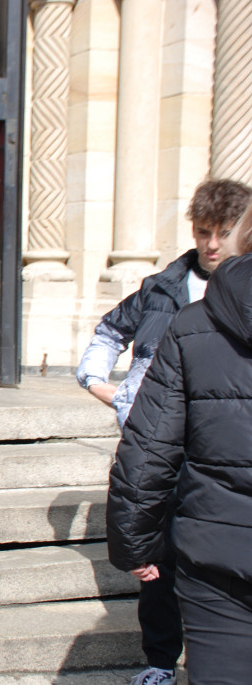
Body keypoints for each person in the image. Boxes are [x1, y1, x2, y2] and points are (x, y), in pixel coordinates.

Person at [78, 179, 251, 685]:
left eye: (223, 233)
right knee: (163, 573)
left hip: (216, 453)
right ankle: (159, 659)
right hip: (163, 443)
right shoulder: (163, 289)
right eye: (203, 232)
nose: (213, 244)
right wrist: (104, 387)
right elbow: (109, 332)